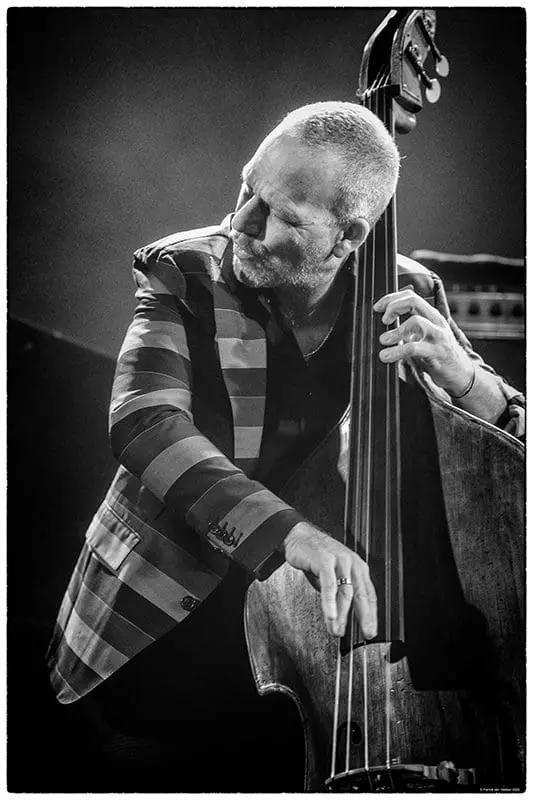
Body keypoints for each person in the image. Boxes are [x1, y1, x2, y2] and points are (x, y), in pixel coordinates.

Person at [46, 101, 524, 791]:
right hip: (167, 624)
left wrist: (466, 377)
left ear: (347, 238)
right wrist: (292, 535)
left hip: (316, 640)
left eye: (281, 216)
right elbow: (144, 424)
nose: (240, 221)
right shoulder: (184, 271)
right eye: (246, 189)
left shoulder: (407, 290)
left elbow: (509, 453)